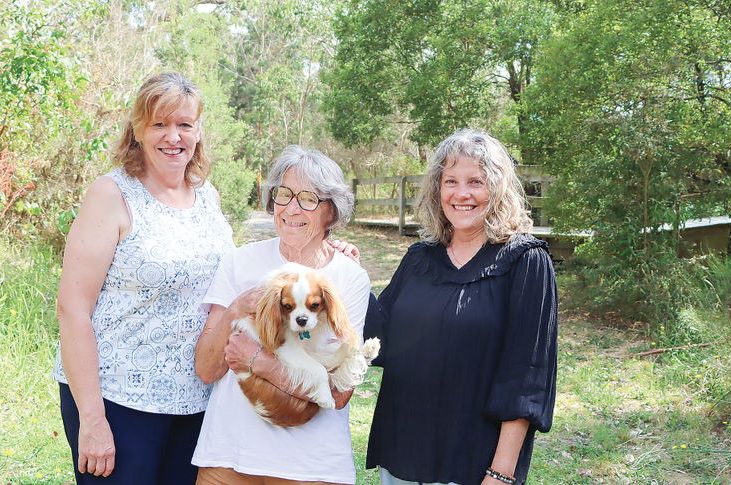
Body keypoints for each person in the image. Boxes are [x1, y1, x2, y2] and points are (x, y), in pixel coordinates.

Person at [52, 72, 235, 484]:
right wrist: (93, 419)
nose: (174, 136)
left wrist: (323, 253)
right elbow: (72, 309)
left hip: (194, 402)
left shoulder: (208, 196)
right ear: (137, 129)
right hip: (117, 400)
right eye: (160, 124)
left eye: (185, 124)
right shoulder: (111, 194)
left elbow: (235, 279)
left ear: (199, 131)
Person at [363, 129, 558, 485]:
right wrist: (345, 273)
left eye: (476, 181)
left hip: (472, 464)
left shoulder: (525, 262)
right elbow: (376, 339)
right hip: (402, 457)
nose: (461, 193)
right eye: (450, 180)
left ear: (497, 189)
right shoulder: (419, 259)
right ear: (438, 190)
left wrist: (500, 473)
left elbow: (526, 378)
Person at [192, 145, 371, 485]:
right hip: (229, 457)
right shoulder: (240, 262)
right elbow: (206, 368)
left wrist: (257, 361)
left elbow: (338, 392)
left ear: (330, 212)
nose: (291, 207)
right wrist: (237, 309)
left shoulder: (349, 278)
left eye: (308, 198)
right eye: (284, 194)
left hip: (311, 466)